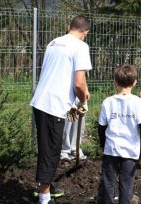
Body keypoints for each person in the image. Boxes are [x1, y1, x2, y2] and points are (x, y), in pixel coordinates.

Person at [30, 16, 92, 204]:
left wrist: (84, 94)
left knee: (47, 147)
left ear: (69, 27)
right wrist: (83, 100)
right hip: (54, 105)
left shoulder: (54, 42)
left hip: (40, 101)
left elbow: (75, 77)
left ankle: (46, 186)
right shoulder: (81, 47)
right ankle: (44, 197)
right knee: (51, 150)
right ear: (85, 33)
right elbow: (79, 82)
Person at [97, 64, 141, 204]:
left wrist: (103, 146)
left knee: (108, 183)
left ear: (115, 83)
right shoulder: (138, 102)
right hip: (130, 151)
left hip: (111, 149)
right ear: (135, 83)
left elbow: (101, 128)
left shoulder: (108, 102)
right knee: (126, 183)